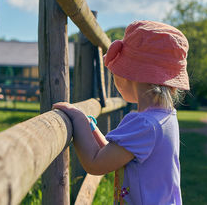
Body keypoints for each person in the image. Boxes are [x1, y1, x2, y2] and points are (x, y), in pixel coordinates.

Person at [53, 20, 189, 205]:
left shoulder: (143, 124)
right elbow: (113, 152)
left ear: (130, 76)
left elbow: (95, 163)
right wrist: (90, 128)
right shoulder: (165, 117)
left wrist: (77, 119)